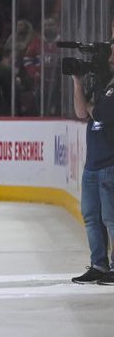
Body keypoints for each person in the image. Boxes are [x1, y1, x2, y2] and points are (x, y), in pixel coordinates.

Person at [71, 33, 114, 285]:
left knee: (111, 218)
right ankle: (99, 264)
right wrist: (77, 81)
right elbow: (80, 111)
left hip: (110, 163)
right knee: (91, 217)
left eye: (111, 53)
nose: (108, 57)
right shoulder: (100, 84)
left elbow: (97, 113)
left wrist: (90, 105)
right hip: (92, 164)